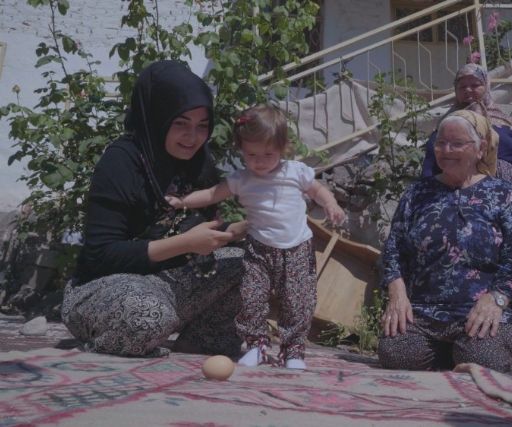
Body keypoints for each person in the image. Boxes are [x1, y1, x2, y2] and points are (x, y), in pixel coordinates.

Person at [61, 60, 248, 358]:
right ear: (158, 117)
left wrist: (237, 231)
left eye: (202, 126)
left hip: (168, 283)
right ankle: (125, 336)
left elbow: (190, 230)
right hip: (106, 286)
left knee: (255, 264)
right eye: (181, 123)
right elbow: (100, 255)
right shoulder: (121, 161)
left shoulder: (197, 162)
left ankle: (202, 341)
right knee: (148, 315)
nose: (192, 137)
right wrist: (186, 244)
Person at [167, 104, 346, 370]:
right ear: (241, 149)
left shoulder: (295, 171)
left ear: (283, 148)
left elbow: (318, 190)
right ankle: (256, 345)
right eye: (251, 154)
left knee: (298, 301)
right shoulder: (242, 179)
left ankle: (293, 350)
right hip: (259, 248)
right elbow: (212, 194)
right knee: (251, 297)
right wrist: (182, 201)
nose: (259, 161)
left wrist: (331, 204)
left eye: (268, 154)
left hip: (297, 248)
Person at [378, 110, 512, 373]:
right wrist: (396, 292)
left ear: (481, 148)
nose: (446, 150)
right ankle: (449, 354)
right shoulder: (417, 193)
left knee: (481, 358)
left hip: (486, 310)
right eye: (440, 143)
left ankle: (462, 352)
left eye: (457, 143)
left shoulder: (503, 195)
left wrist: (497, 298)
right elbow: (394, 248)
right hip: (425, 312)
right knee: (396, 353)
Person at [422, 63, 512, 345]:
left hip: (509, 197)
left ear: (486, 86)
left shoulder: (507, 125)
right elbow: (430, 166)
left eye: (475, 84)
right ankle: (459, 330)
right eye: (462, 85)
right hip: (458, 199)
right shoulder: (447, 127)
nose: (469, 90)